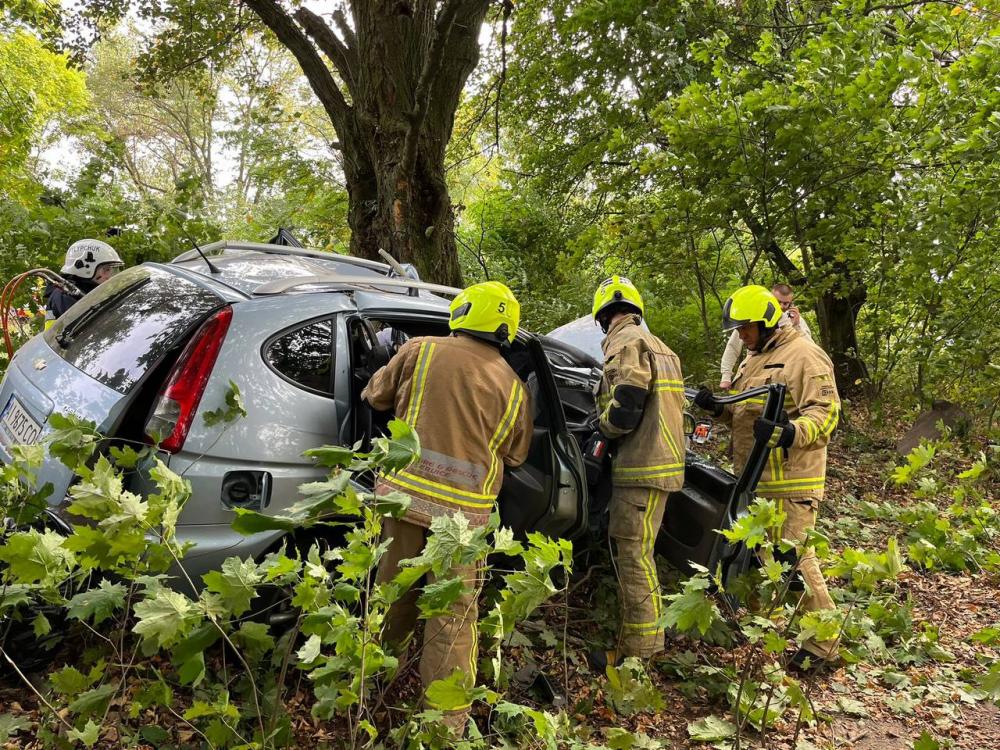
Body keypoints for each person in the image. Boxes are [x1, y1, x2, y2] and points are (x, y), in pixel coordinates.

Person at [361, 281, 532, 731]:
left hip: (404, 503)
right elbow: (516, 455)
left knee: (392, 596)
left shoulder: (420, 350)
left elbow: (375, 396)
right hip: (463, 522)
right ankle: (446, 725)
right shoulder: (515, 388)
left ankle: (370, 688)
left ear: (462, 312)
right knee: (452, 621)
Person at [695, 285, 841, 670]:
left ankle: (825, 647)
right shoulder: (754, 360)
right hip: (755, 480)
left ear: (767, 323)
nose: (741, 335)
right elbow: (745, 414)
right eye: (738, 328)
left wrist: (790, 432)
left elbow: (826, 413)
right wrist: (717, 408)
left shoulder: (804, 355)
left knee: (794, 561)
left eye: (746, 327)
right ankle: (764, 635)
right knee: (758, 561)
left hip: (791, 480)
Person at [587, 276, 686, 672]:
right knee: (640, 553)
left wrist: (603, 430)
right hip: (661, 463)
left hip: (641, 466)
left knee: (633, 556)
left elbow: (628, 402)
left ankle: (638, 654)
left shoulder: (626, 342)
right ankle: (644, 643)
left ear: (603, 317)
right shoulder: (661, 346)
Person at [720, 283, 812, 390]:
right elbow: (733, 346)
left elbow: (810, 351)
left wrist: (796, 326)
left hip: (782, 373)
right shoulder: (753, 317)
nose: (781, 306)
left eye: (786, 303)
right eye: (778, 302)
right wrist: (726, 376)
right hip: (755, 370)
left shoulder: (796, 320)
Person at [44, 239, 124, 323]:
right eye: (106, 269)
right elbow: (92, 326)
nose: (109, 276)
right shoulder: (64, 295)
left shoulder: (85, 291)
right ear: (86, 269)